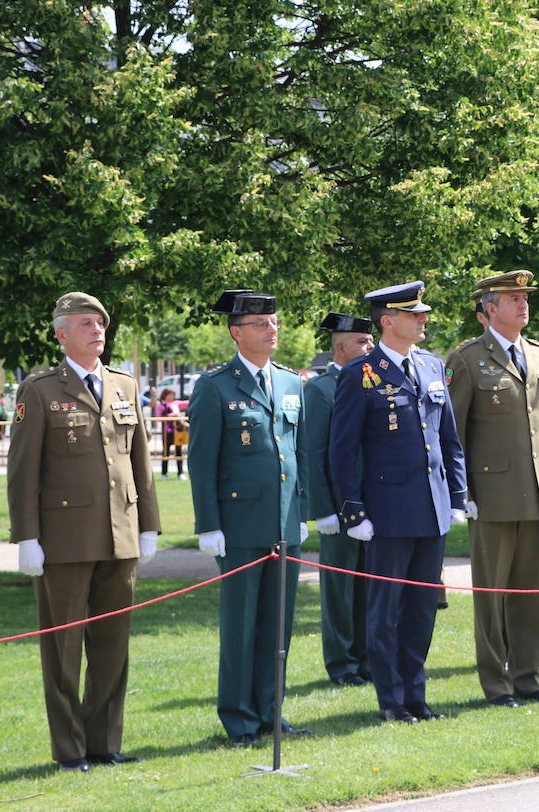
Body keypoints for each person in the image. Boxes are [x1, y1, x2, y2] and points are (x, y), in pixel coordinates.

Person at [7, 292, 160, 772]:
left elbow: (141, 463)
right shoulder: (40, 389)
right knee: (64, 651)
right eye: (86, 324)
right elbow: (22, 471)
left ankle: (104, 742)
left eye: (101, 323)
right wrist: (26, 538)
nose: (98, 331)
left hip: (120, 535)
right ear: (61, 333)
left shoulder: (123, 385)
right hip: (65, 540)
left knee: (113, 646)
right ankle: (70, 749)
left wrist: (149, 525)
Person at [328, 280, 468, 724]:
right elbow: (342, 449)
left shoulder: (431, 366)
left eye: (422, 313)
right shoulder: (361, 373)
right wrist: (354, 511)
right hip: (387, 511)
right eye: (414, 314)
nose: (423, 319)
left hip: (431, 506)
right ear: (388, 321)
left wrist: (458, 496)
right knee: (385, 609)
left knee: (422, 609)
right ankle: (391, 699)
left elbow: (449, 439)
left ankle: (415, 695)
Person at [187, 291, 310, 745]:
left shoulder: (292, 383)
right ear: (237, 332)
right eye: (261, 323)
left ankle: (270, 712)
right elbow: (201, 461)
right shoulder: (215, 385)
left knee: (278, 625)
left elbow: (299, 453)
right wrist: (208, 524)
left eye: (274, 321)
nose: (271, 329)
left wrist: (302, 508)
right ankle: (239, 718)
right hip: (238, 525)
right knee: (241, 625)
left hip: (283, 521)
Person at [446, 269, 539, 707]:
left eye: (525, 297)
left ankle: (528, 679)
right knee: (491, 595)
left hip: (535, 490)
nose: (523, 304)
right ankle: (497, 685)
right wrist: (463, 494)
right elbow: (453, 435)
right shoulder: (467, 359)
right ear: (489, 309)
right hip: (491, 495)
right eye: (513, 298)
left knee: (528, 594)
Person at [304, 312, 376, 687]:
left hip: (373, 501)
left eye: (370, 341)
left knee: (368, 585)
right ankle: (341, 662)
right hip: (339, 506)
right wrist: (323, 510)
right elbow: (313, 454)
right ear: (341, 346)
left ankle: (365, 658)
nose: (370, 347)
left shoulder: (371, 382)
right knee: (339, 589)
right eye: (363, 342)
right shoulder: (320, 389)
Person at [154, 389, 184, 480]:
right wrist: (171, 416)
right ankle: (164, 474)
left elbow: (188, 403)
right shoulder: (160, 406)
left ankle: (180, 473)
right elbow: (159, 417)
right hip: (167, 433)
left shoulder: (176, 403)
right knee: (165, 453)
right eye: (169, 395)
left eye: (172, 395)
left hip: (177, 432)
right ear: (164, 395)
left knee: (179, 452)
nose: (171, 397)